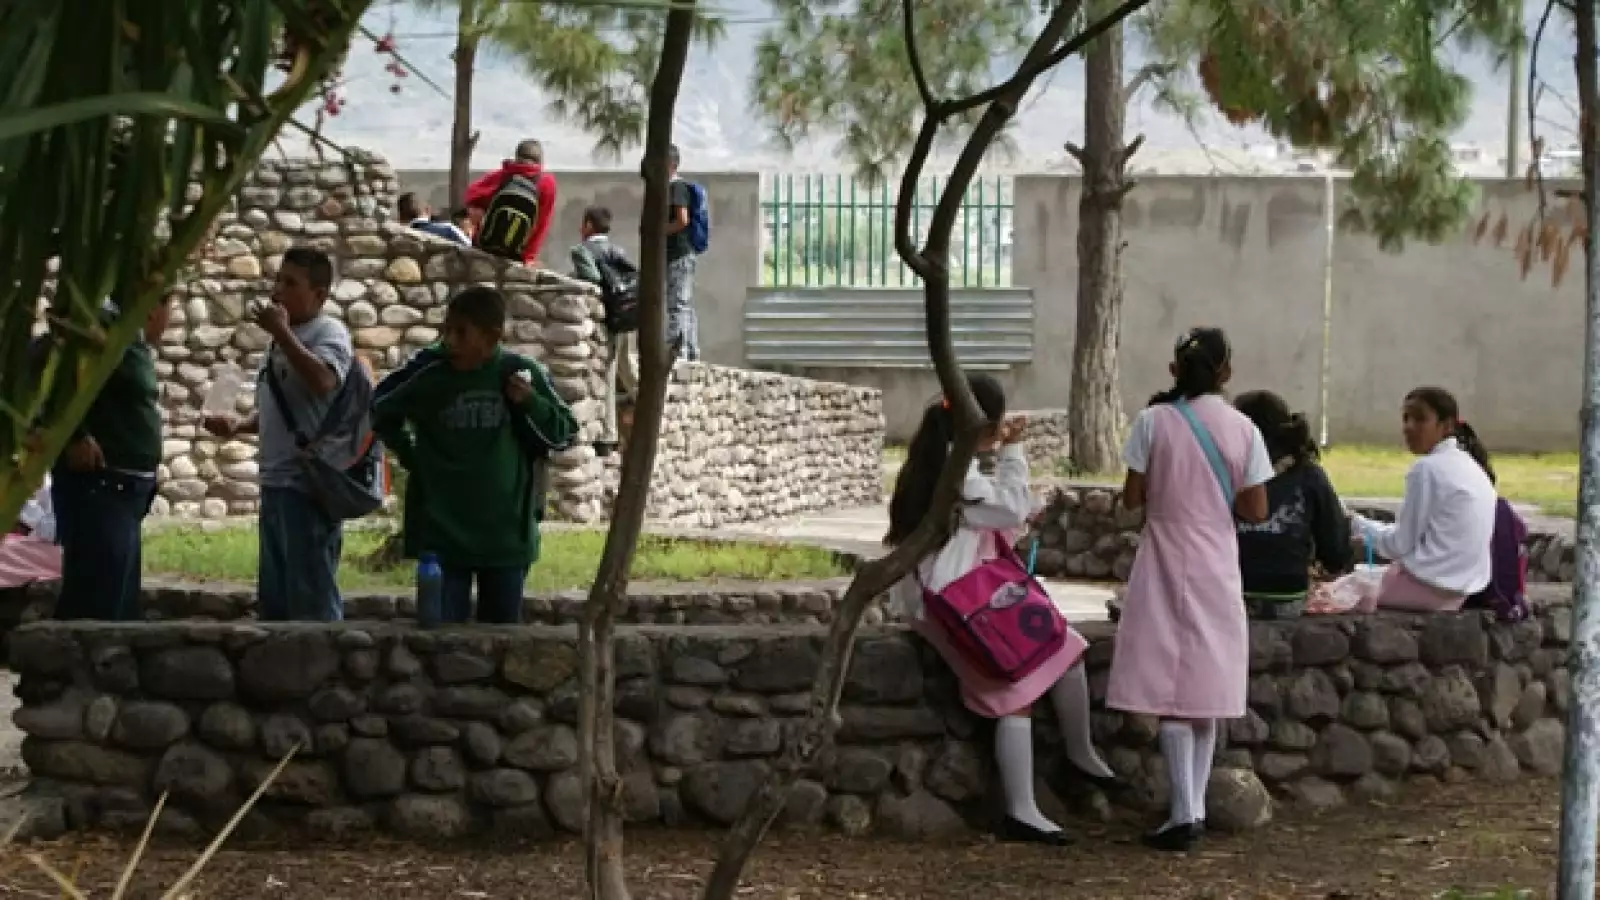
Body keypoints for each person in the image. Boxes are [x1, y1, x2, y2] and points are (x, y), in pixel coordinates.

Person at [885, 374, 1115, 847]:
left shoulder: (943, 459)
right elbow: (1009, 509)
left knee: (1065, 648)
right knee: (1016, 689)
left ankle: (1081, 754)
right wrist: (1013, 454)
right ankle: (1022, 808)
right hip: (955, 601)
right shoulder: (956, 474)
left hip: (970, 588)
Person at [1109, 328, 1273, 852]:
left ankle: (1185, 814)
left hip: (1164, 553)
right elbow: (1256, 509)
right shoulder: (1244, 428)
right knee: (1203, 685)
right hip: (1217, 559)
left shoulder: (1153, 422)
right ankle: (1192, 808)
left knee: (1168, 682)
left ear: (1174, 369)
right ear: (1226, 371)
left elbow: (1132, 499)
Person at [372, 287, 578, 624]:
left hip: (506, 537)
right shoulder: (431, 374)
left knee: (501, 643)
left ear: (492, 336)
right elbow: (382, 412)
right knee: (440, 643)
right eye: (446, 330)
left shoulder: (518, 373)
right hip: (443, 536)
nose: (450, 341)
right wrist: (413, 457)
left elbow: (564, 433)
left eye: (461, 332)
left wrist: (530, 403)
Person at [204, 247, 354, 621]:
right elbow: (280, 410)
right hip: (275, 481)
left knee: (311, 595)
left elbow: (323, 381)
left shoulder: (328, 332)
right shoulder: (280, 342)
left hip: (307, 485)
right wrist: (238, 426)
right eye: (278, 280)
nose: (278, 291)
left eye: (291, 283)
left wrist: (283, 333)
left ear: (319, 295)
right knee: (276, 596)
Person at [48, 293, 176, 620]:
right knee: (97, 603)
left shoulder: (129, 340)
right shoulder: (103, 328)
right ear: (154, 308)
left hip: (127, 491)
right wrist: (74, 434)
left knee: (118, 602)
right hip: (103, 486)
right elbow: (54, 375)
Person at [1345, 387, 1498, 612]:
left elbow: (1399, 544)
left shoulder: (1427, 469)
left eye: (1419, 419)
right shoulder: (1470, 466)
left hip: (1429, 586)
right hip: (1459, 592)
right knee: (1362, 575)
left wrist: (1355, 526)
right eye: (1405, 418)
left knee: (1336, 590)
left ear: (1446, 426)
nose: (1408, 427)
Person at [1232, 390, 1353, 619]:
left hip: (1231, 593)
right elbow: (1335, 548)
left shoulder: (1225, 473)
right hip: (1288, 595)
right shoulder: (1308, 474)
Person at [570, 205, 638, 457]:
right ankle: (653, 407)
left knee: (609, 373)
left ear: (588, 225)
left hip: (607, 318)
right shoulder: (617, 250)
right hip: (626, 314)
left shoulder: (581, 251)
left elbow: (591, 279)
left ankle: (609, 436)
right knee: (627, 367)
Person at [464, 139, 558, 266]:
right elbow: (542, 224)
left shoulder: (505, 174)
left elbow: (470, 193)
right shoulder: (548, 184)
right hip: (517, 253)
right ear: (540, 162)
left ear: (517, 157)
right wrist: (529, 257)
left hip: (486, 245)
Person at [665, 144, 700, 361]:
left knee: (677, 304)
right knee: (682, 303)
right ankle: (690, 349)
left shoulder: (676, 188)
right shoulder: (671, 188)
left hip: (679, 254)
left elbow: (682, 220)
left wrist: (659, 231)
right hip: (677, 255)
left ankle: (678, 352)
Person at [398, 191, 468, 245]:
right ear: (428, 209)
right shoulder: (448, 230)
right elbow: (473, 252)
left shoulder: (397, 237)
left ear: (400, 218)